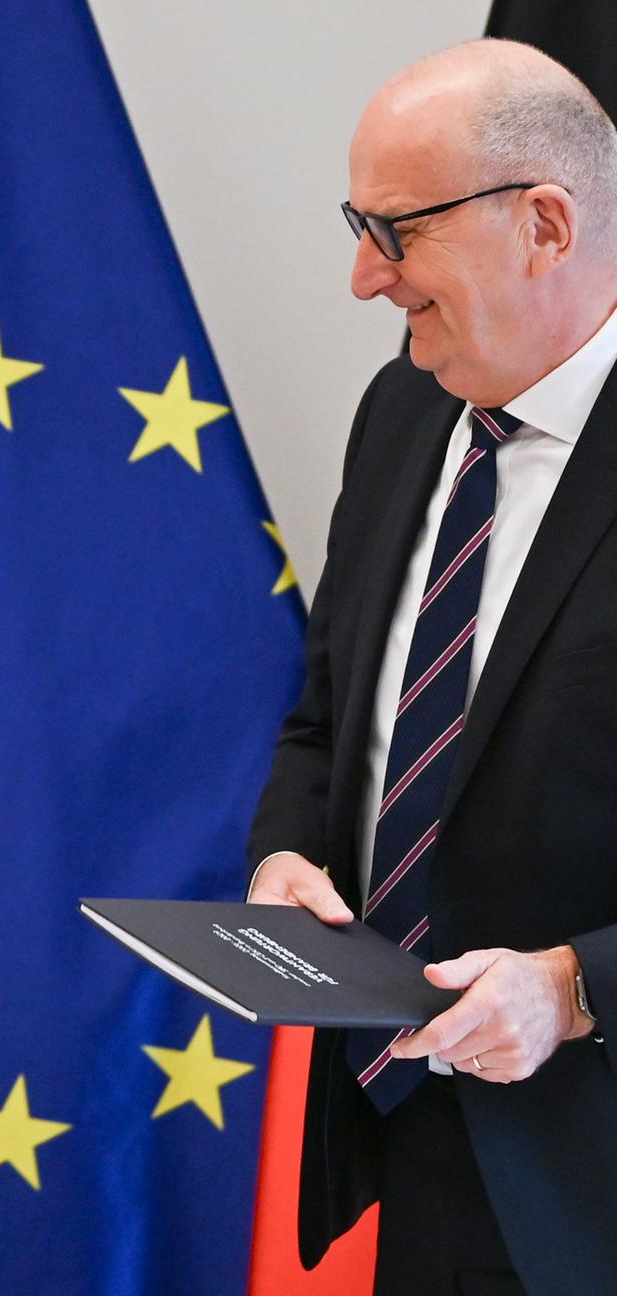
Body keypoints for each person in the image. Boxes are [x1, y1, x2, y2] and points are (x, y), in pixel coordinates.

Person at [248, 39, 617, 1296]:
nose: (363, 278)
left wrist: (575, 991)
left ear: (547, 226)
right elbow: (329, 717)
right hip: (408, 1143)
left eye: (395, 230)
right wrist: (288, 853)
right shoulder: (402, 412)